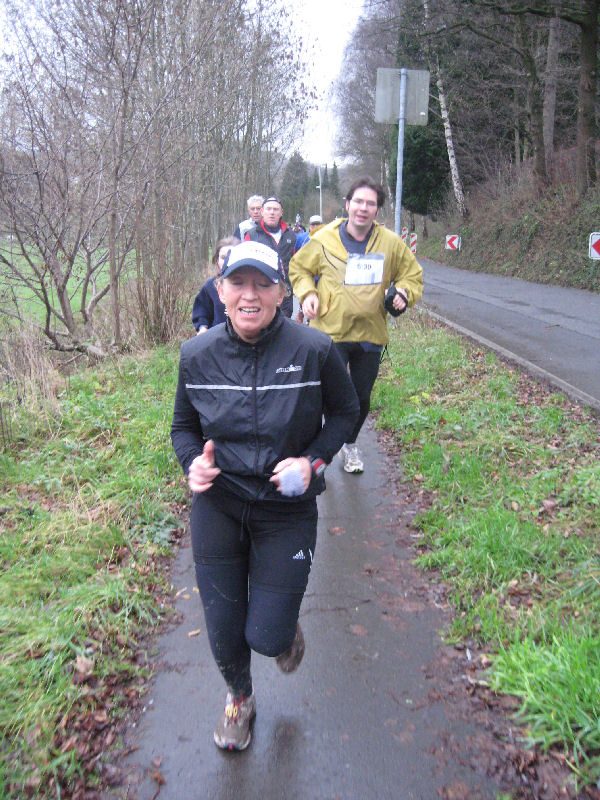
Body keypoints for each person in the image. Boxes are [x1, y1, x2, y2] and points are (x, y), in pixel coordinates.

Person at [170, 240, 359, 752]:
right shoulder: (196, 355)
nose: (249, 295)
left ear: (281, 293)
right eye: (238, 283)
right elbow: (183, 428)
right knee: (223, 626)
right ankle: (239, 698)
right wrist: (192, 463)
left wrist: (312, 461)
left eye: (262, 284)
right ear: (220, 290)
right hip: (220, 504)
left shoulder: (314, 349)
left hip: (286, 509)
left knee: (267, 637)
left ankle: (282, 627)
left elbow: (346, 413)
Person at [289, 176, 423, 474]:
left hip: (370, 332)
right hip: (330, 330)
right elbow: (299, 268)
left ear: (377, 210)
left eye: (370, 204)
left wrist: (403, 293)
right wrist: (308, 293)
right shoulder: (323, 239)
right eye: (358, 202)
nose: (363, 208)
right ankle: (328, 444)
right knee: (333, 395)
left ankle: (348, 443)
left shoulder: (390, 243)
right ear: (348, 205)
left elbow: (412, 275)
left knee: (360, 398)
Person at [244, 196, 296, 318]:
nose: (272, 212)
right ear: (262, 212)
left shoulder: (291, 236)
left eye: (275, 209)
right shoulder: (252, 235)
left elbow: (297, 264)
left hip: (285, 294)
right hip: (261, 293)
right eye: (268, 209)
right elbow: (245, 266)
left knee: (284, 327)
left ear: (281, 212)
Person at [191, 236, 239, 333]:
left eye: (231, 256)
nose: (227, 261)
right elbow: (202, 312)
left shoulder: (249, 286)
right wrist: (202, 328)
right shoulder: (210, 286)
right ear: (217, 260)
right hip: (218, 337)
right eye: (223, 257)